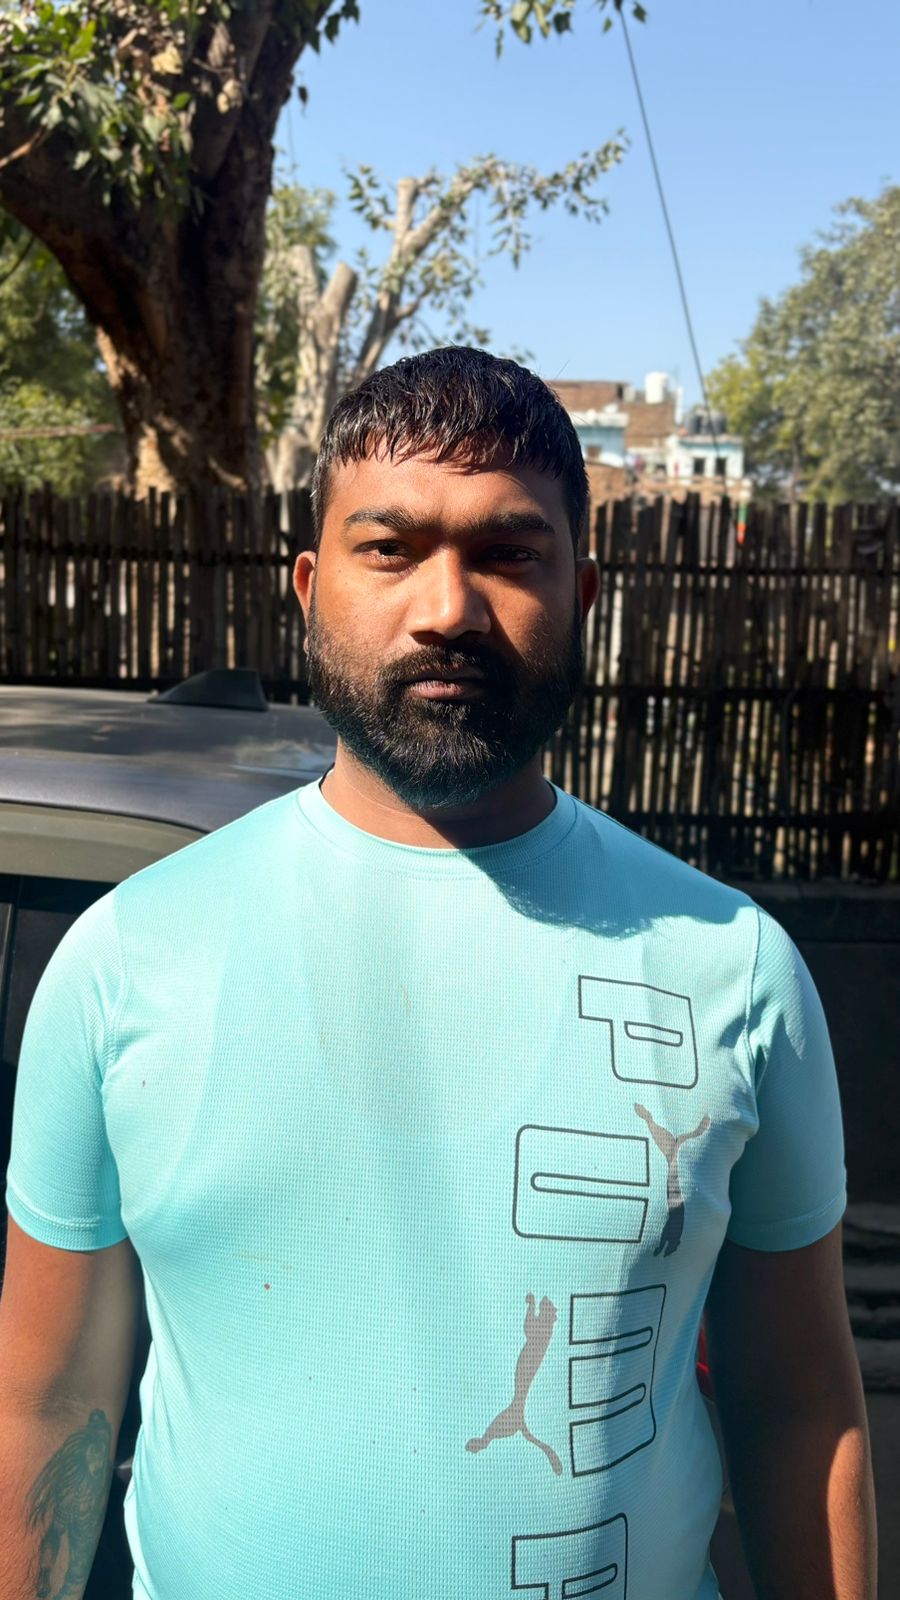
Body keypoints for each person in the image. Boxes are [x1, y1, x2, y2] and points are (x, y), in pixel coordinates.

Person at [0, 347, 876, 1600]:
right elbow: (48, 1401)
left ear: (583, 591)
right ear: (311, 587)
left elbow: (797, 1403)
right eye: (391, 547)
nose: (448, 608)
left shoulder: (733, 970)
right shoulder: (126, 962)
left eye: (508, 553)